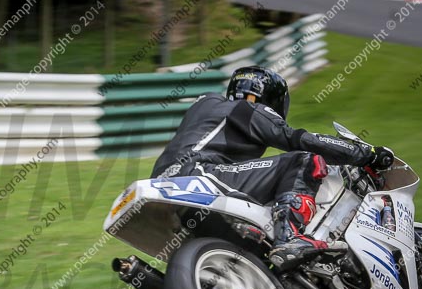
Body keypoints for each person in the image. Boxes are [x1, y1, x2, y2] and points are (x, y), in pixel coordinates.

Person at [151, 66, 394, 270]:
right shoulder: (245, 109)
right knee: (302, 160)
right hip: (197, 174)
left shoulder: (208, 108)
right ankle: (289, 237)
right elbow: (298, 139)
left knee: (257, 247)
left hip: (163, 184)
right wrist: (366, 154)